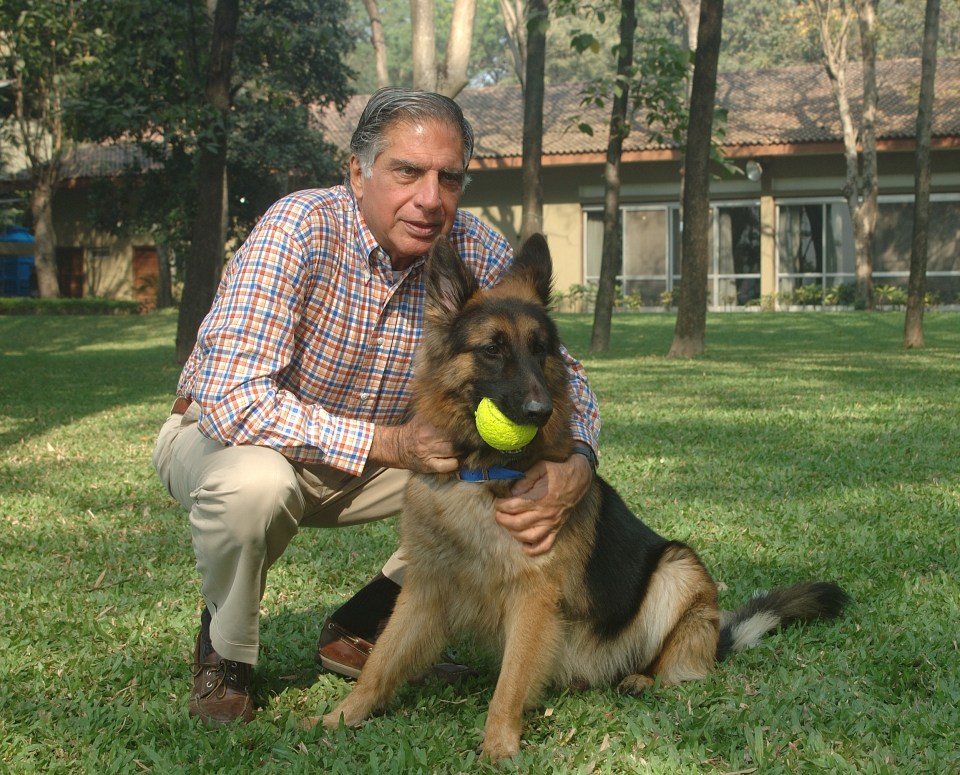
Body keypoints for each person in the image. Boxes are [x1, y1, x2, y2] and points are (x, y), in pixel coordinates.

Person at [152, 87, 601, 726]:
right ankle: (225, 654)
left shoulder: (470, 246)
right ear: (358, 172)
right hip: (232, 442)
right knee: (255, 484)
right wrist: (388, 444)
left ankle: (363, 626)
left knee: (505, 474)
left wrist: (577, 463)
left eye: (449, 177)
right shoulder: (298, 227)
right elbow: (232, 400)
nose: (430, 197)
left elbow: (566, 380)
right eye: (407, 171)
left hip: (388, 456)